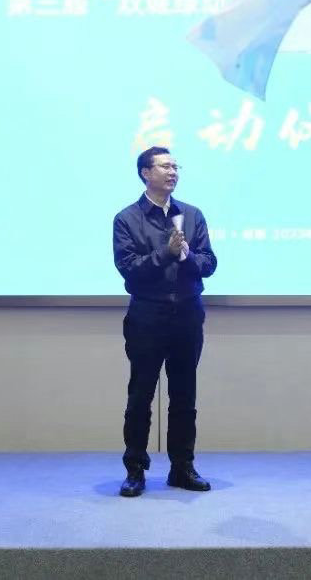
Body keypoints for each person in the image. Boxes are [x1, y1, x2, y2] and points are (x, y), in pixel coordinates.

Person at [112, 146, 217, 497]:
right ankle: (135, 470)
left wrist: (186, 256)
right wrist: (165, 253)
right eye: (165, 166)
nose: (173, 172)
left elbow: (209, 264)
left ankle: (182, 467)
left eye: (175, 166)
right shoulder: (127, 219)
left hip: (187, 314)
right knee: (140, 395)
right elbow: (129, 269)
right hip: (147, 315)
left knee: (184, 395)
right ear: (146, 173)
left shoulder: (192, 214)